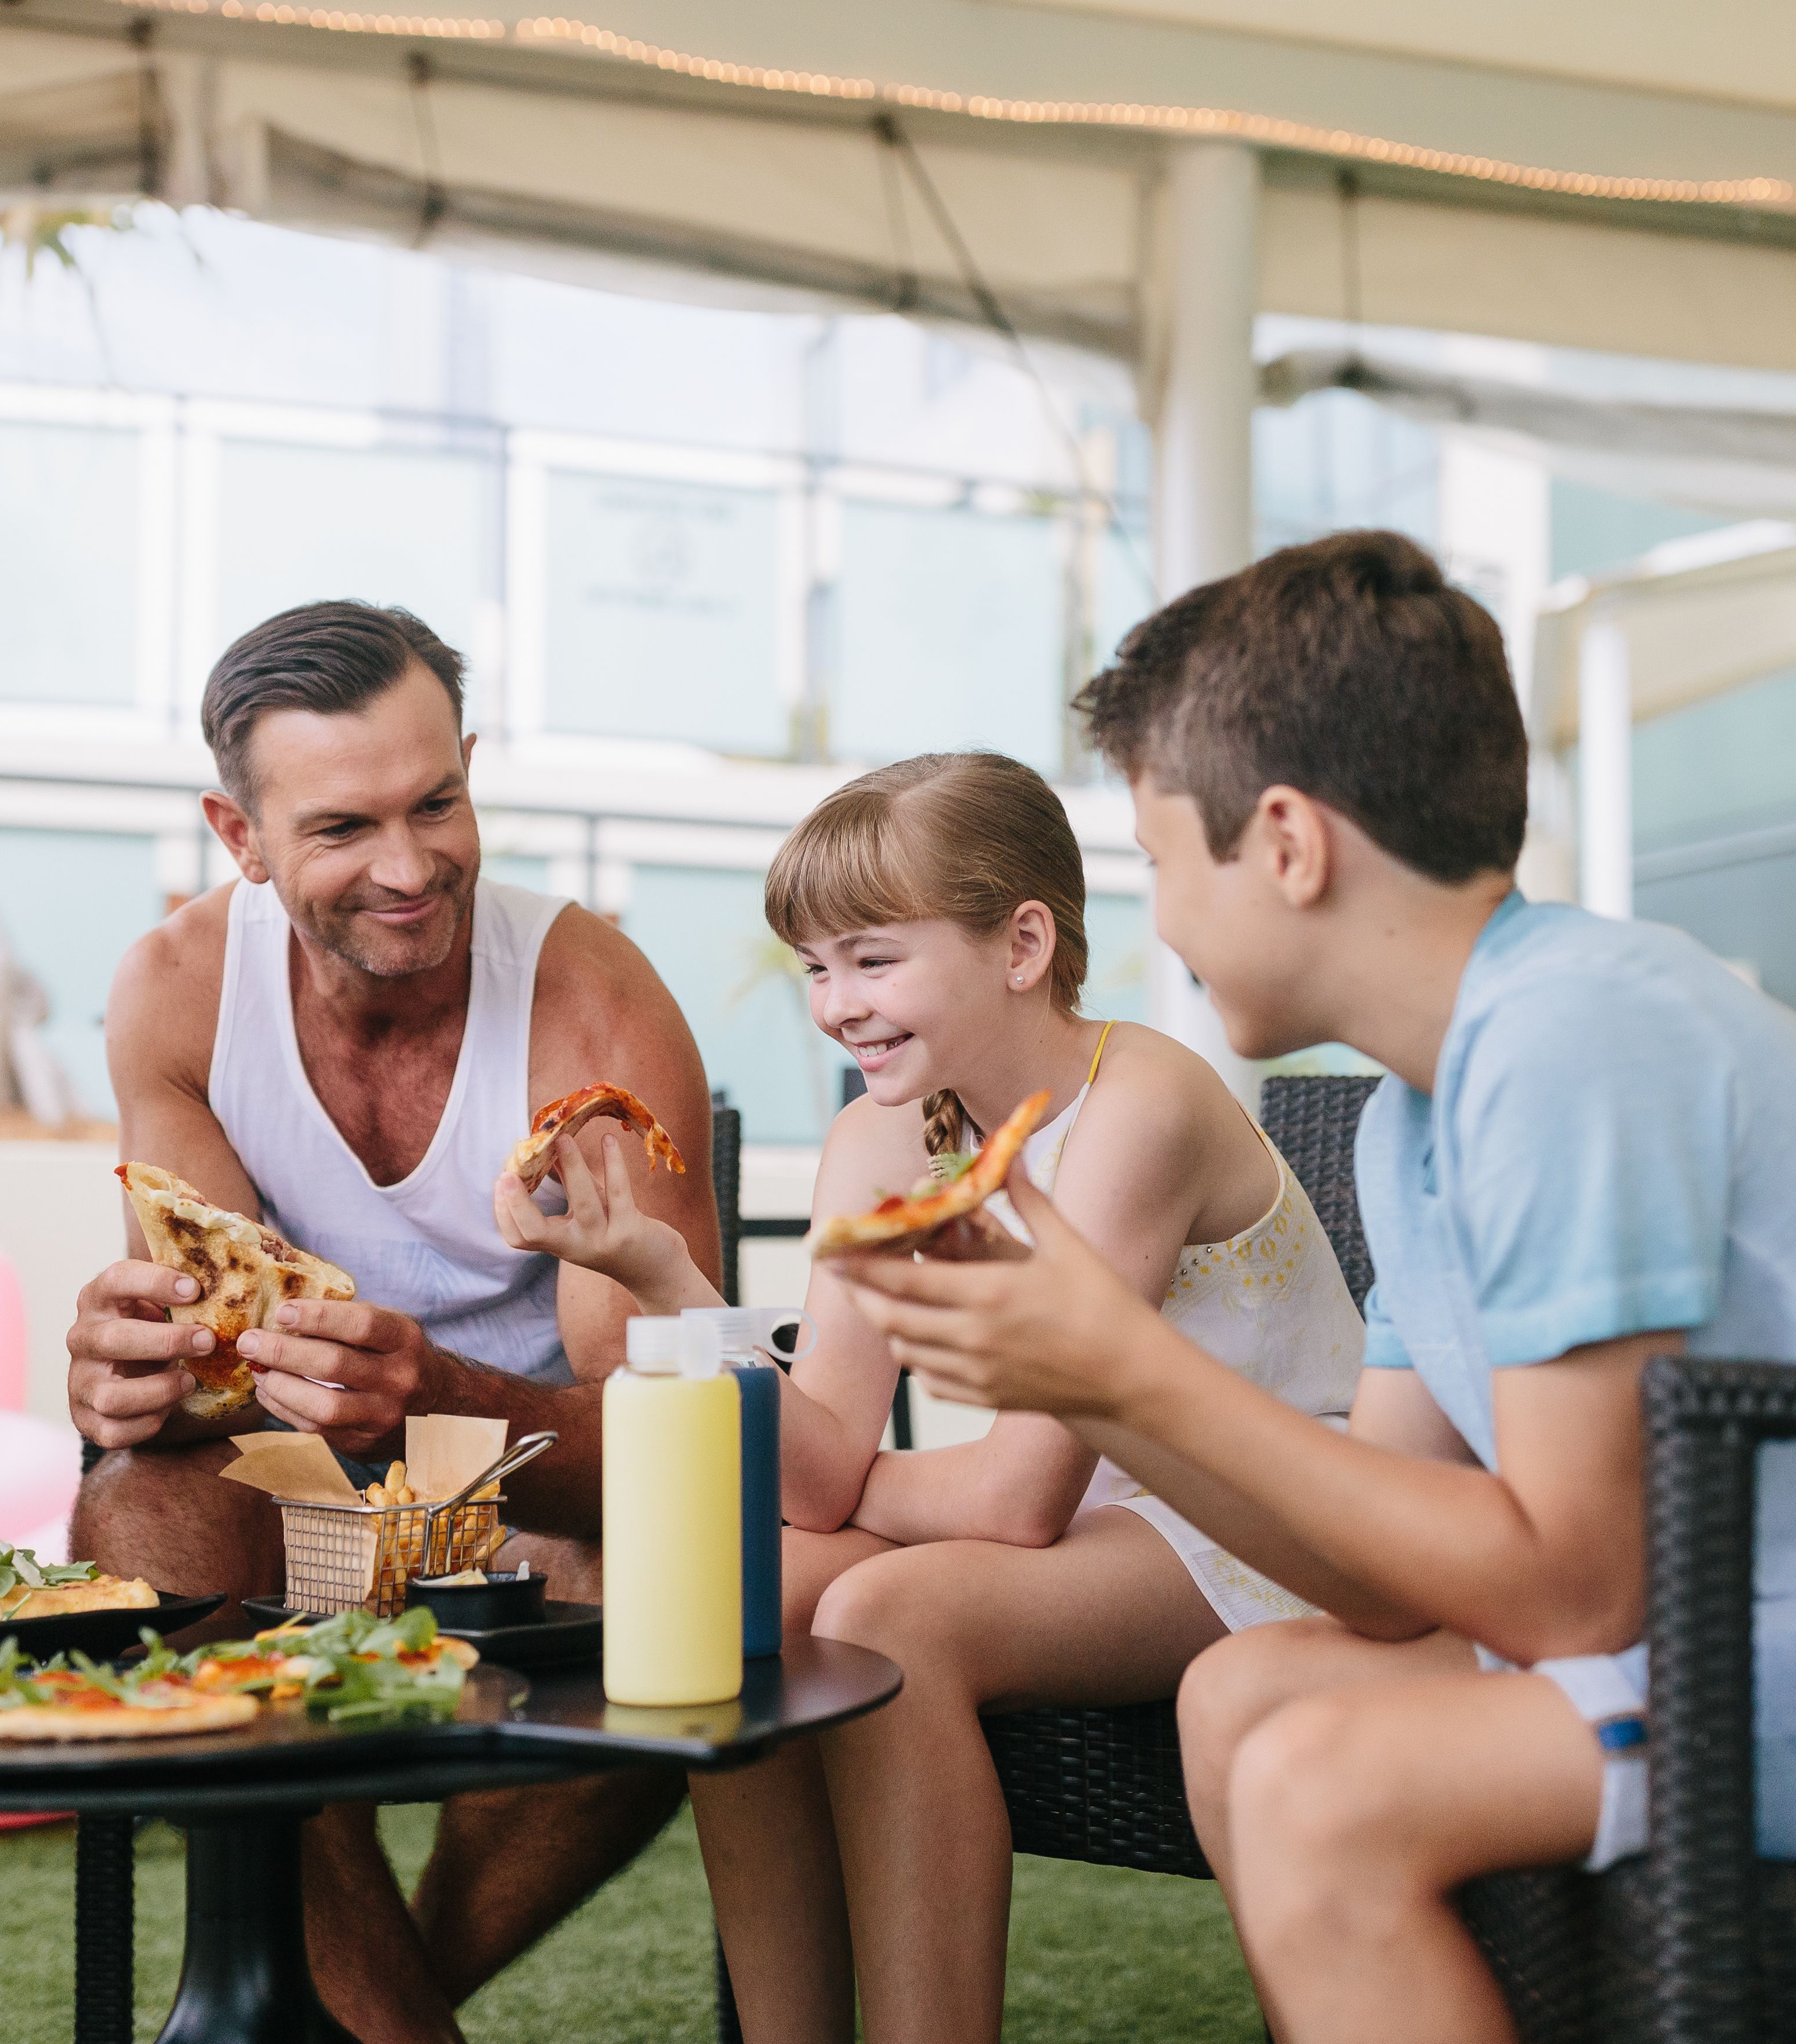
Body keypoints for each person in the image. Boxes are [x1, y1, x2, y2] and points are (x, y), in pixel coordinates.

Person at [836, 531, 1796, 2044]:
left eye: (1159, 861)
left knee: (1322, 1783)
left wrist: (1128, 1371)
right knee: (1242, 1695)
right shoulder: (1420, 1120)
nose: (1163, 921)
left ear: (1286, 842)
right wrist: (1092, 1374)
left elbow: (1573, 1583)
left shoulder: (1572, 1039)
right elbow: (1383, 1561)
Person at [493, 751, 1364, 2044]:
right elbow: (812, 1469)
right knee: (746, 1589)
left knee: (892, 1611)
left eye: (873, 958)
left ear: (1020, 944)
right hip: (1106, 1519)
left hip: (1270, 1516)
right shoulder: (883, 1133)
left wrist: (854, 1480)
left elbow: (1012, 1503)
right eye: (815, 968)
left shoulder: (1141, 1107)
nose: (836, 1004)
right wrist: (669, 1275)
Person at [64, 599, 720, 2042]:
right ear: (238, 839)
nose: (412, 868)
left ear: (472, 767)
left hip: (540, 1520)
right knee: (136, 1510)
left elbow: (676, 1452)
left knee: (683, 1584)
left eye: (439, 803)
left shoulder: (590, 1002)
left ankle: (365, 2016)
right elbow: (208, 1377)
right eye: (344, 829)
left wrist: (433, 1396)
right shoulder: (175, 991)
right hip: (318, 1513)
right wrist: (124, 1376)